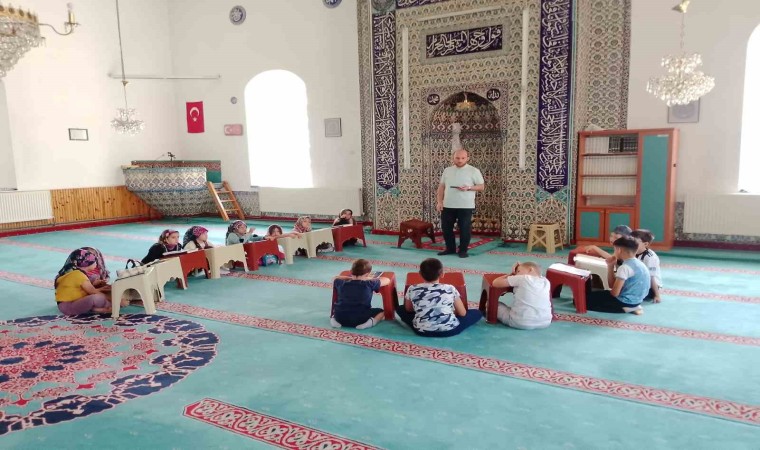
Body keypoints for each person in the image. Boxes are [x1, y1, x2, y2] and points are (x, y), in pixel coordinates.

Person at [396, 258, 482, 337]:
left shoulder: (412, 288)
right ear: (442, 274)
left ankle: (424, 321)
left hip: (422, 331)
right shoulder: (450, 288)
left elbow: (409, 309)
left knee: (400, 308)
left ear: (420, 274)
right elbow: (462, 313)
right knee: (477, 313)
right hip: (449, 330)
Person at [436, 149, 485, 258]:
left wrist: (469, 188)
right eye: (457, 158)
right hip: (448, 205)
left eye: (463, 158)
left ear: (467, 158)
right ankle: (450, 248)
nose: (460, 160)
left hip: (465, 206)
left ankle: (463, 250)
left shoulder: (474, 171)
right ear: (453, 158)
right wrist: (439, 202)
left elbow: (481, 187)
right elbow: (441, 187)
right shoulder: (447, 170)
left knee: (464, 229)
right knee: (446, 228)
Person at [586, 236, 650, 314]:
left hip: (624, 302)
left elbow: (614, 293)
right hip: (637, 300)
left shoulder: (625, 267)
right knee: (595, 295)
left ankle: (626, 309)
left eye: (614, 249)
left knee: (584, 301)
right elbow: (612, 286)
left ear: (619, 250)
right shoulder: (639, 264)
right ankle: (634, 307)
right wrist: (610, 266)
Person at [55, 248, 119, 315]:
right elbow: (93, 291)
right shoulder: (79, 275)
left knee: (99, 294)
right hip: (69, 307)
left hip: (66, 305)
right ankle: (101, 308)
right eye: (95, 262)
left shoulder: (74, 272)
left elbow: (88, 290)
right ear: (87, 263)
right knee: (98, 298)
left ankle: (98, 308)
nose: (96, 264)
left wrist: (103, 289)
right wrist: (114, 300)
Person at [330, 259, 390, 329]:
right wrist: (369, 279)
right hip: (361, 319)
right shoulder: (369, 283)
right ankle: (370, 323)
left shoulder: (341, 283)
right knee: (381, 312)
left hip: (340, 316)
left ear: (351, 272)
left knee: (337, 311)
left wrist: (350, 278)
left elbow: (334, 278)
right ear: (367, 274)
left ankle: (334, 320)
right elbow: (387, 280)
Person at [492, 261, 552, 330]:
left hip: (520, 322)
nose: (516, 274)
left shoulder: (523, 278)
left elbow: (495, 283)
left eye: (518, 271)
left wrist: (510, 274)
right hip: (545, 322)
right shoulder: (546, 281)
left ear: (530, 269)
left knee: (493, 304)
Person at [631, 229, 662, 303]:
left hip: (650, 286)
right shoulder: (632, 252)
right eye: (630, 241)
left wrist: (657, 295)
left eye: (634, 242)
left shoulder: (650, 257)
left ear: (645, 244)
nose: (631, 244)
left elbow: (652, 277)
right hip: (639, 281)